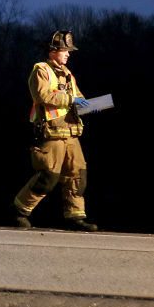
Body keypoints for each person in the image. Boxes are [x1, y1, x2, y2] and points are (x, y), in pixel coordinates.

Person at [12, 31, 98, 231]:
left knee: (77, 175)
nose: (68, 54)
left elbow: (78, 98)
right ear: (53, 51)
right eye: (65, 50)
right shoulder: (41, 70)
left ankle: (75, 217)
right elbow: (43, 95)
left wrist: (90, 105)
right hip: (51, 133)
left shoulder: (68, 74)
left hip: (71, 134)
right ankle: (20, 211)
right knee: (48, 177)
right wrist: (71, 100)